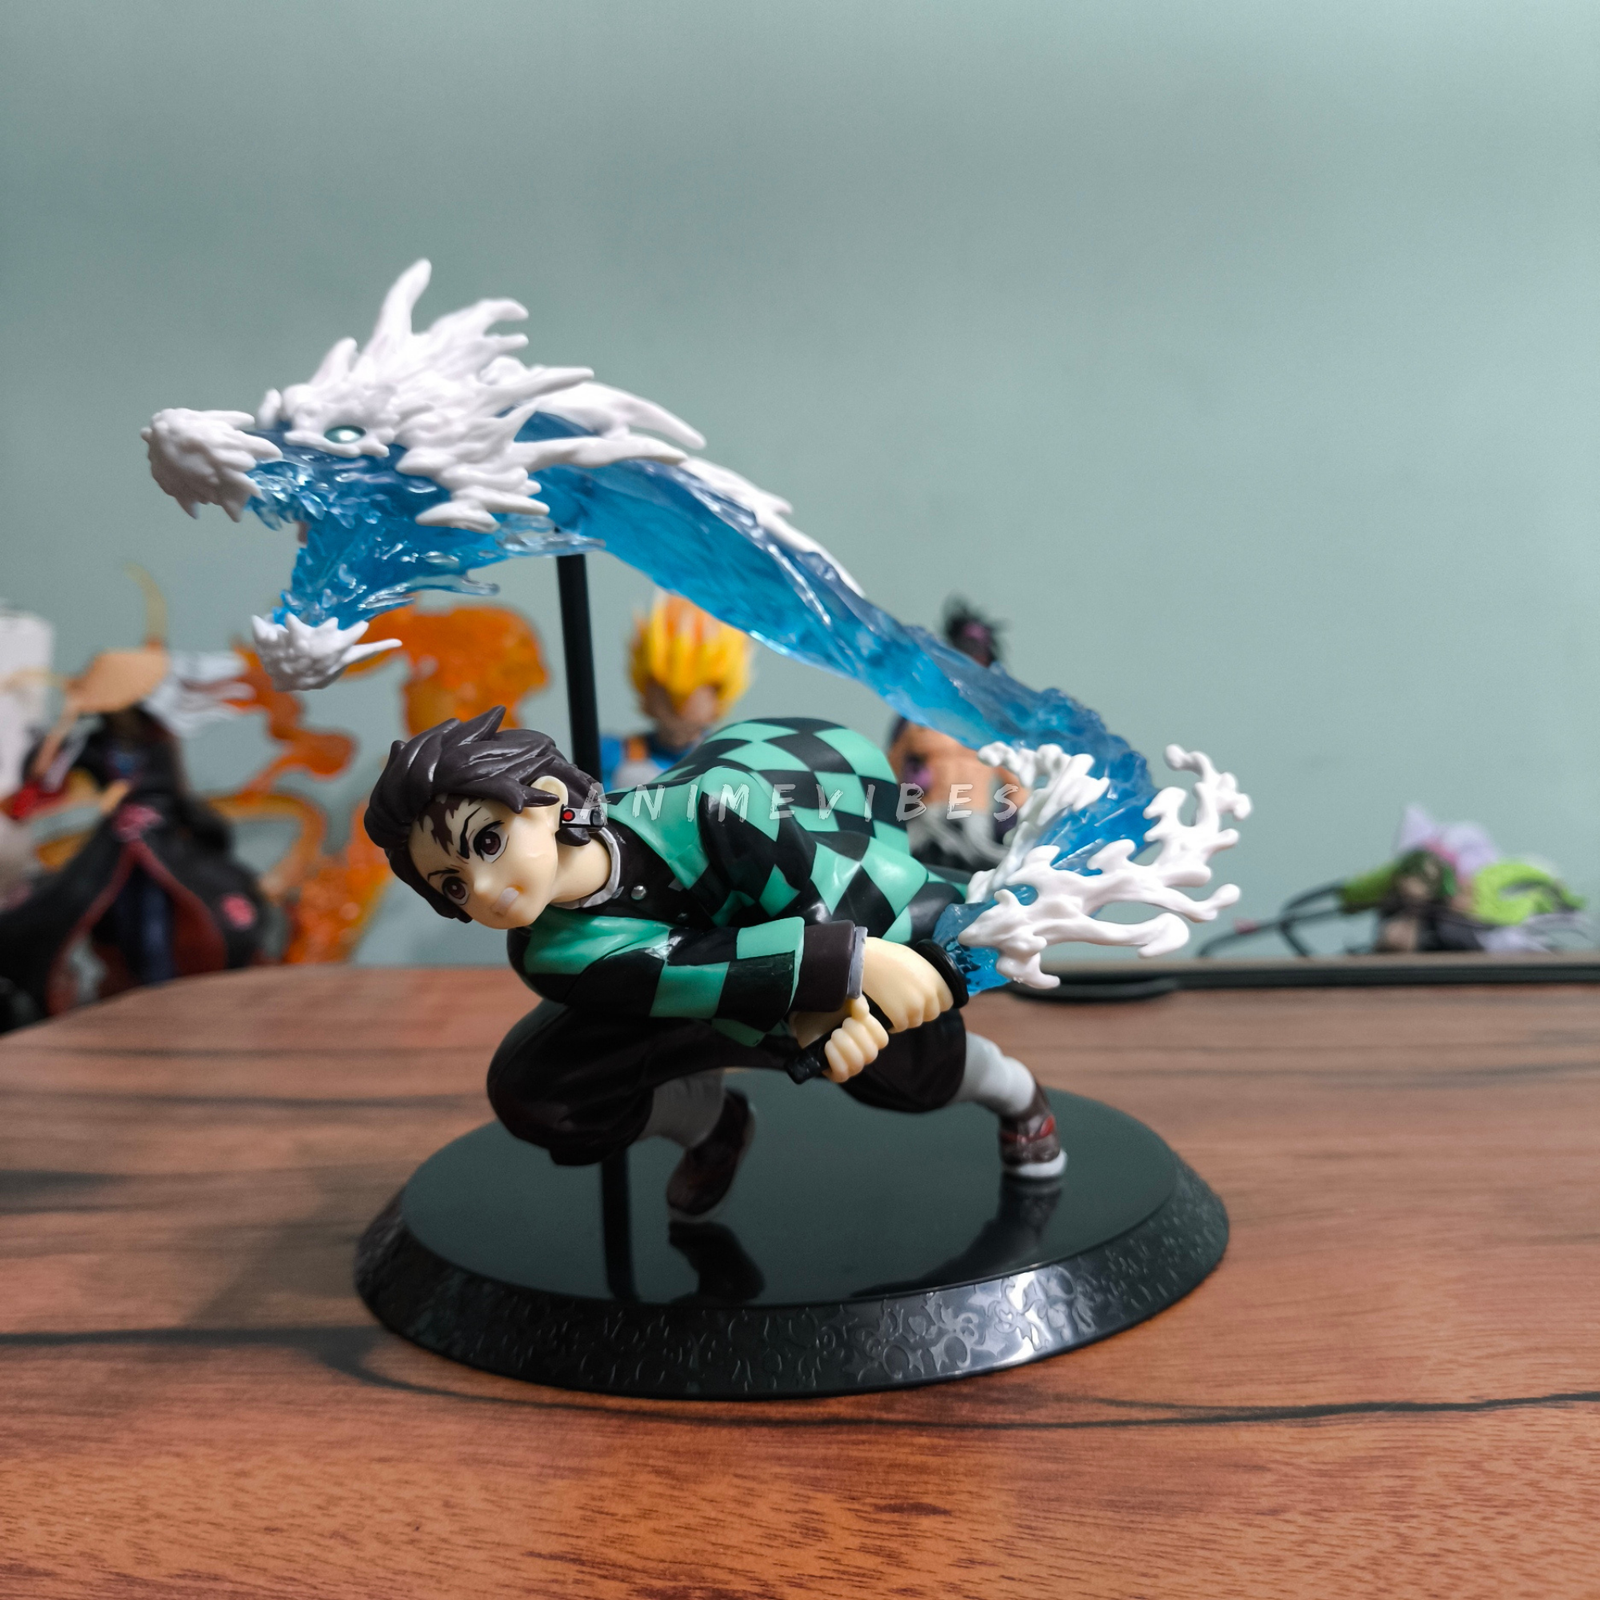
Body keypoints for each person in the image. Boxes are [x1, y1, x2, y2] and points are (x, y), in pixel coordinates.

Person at [364, 706, 1063, 1219]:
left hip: (832, 862)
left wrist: (862, 971)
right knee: (539, 1090)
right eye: (452, 886)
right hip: (721, 998)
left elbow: (828, 897)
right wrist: (842, 976)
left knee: (917, 1074)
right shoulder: (548, 951)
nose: (483, 890)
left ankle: (1017, 1096)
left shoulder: (714, 805)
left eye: (487, 844)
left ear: (546, 801)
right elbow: (688, 971)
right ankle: (710, 1123)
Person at [887, 599, 1021, 872]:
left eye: (975, 655)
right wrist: (903, 789)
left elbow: (1016, 780)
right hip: (927, 814)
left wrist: (1009, 820)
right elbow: (891, 766)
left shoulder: (993, 722)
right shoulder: (916, 714)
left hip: (974, 816)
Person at [600, 594, 752, 790]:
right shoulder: (611, 755)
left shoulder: (735, 760)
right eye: (666, 694)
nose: (679, 708)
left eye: (693, 694)